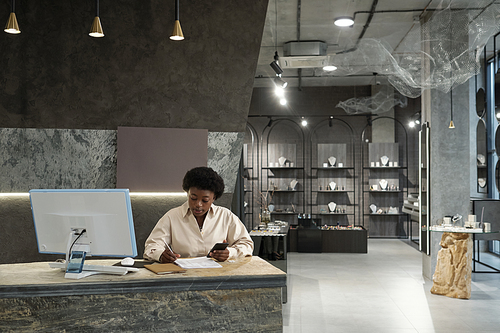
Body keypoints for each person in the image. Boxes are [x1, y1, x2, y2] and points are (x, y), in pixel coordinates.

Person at [144, 167, 253, 263]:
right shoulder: (172, 217)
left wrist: (230, 252)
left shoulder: (226, 216)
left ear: (214, 198)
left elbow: (246, 244)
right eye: (193, 198)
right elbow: (151, 246)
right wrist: (161, 255)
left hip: (218, 276)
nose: (198, 205)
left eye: (205, 200)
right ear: (187, 193)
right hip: (183, 277)